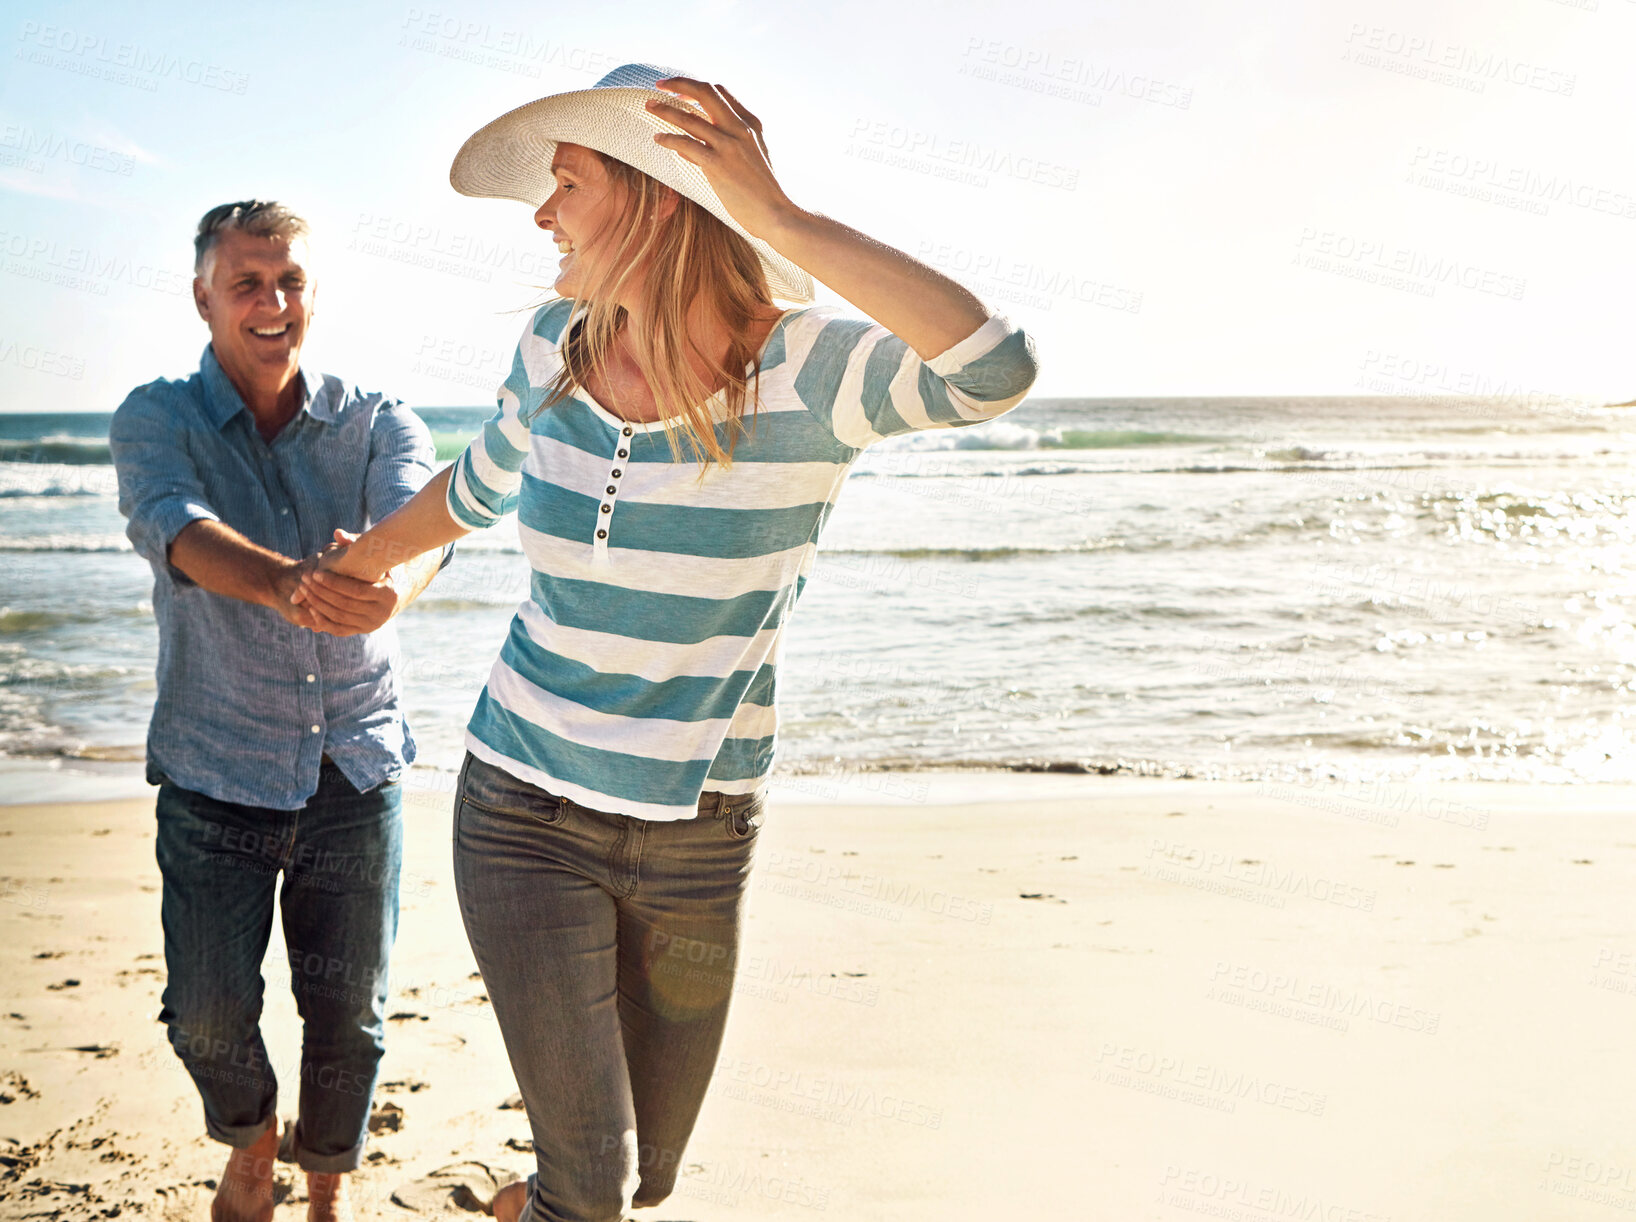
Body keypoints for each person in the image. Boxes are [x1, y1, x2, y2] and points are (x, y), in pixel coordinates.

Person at [307, 63, 1040, 1222]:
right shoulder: (552, 344)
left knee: (642, 1175)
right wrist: (360, 562)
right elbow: (477, 486)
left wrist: (780, 219)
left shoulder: (811, 372)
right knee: (591, 1189)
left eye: (565, 183)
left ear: (653, 196)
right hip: (522, 810)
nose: (540, 216)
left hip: (700, 836)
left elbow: (992, 369)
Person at [109, 200, 450, 1222]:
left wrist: (396, 583)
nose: (272, 301)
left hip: (355, 766)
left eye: (290, 280)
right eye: (248, 282)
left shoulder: (379, 415)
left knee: (350, 1012)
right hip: (215, 768)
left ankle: (326, 1189)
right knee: (209, 1016)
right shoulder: (154, 416)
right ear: (204, 294)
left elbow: (422, 523)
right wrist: (292, 582)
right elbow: (175, 527)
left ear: (314, 293)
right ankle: (252, 1141)